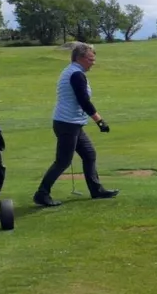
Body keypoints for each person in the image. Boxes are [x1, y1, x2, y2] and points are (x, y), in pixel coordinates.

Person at [33, 42, 117, 207]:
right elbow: (84, 101)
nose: (93, 62)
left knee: (89, 154)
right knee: (63, 161)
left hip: (71, 123)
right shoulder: (76, 75)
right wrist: (100, 121)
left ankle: (96, 190)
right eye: (91, 59)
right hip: (67, 124)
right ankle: (41, 193)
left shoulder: (72, 71)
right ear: (81, 58)